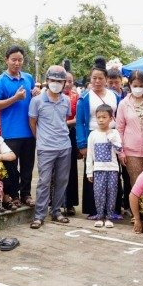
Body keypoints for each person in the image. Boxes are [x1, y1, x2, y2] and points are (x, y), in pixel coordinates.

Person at [0, 45, 39, 207]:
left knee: (28, 166)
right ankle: (14, 195)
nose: (17, 63)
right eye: (13, 60)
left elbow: (34, 98)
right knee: (11, 167)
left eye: (20, 60)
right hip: (11, 132)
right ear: (6, 60)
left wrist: (36, 94)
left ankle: (26, 194)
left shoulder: (28, 78)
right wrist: (15, 98)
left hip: (29, 130)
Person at [28, 65, 72, 229]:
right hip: (45, 147)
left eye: (59, 81)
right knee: (44, 181)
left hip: (64, 146)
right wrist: (39, 138)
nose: (56, 83)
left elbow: (64, 120)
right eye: (53, 80)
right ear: (47, 81)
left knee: (61, 181)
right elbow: (33, 122)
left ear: (64, 83)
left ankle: (57, 211)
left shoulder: (66, 100)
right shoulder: (37, 100)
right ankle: (39, 215)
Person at [76, 65, 121, 216]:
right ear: (90, 79)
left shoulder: (115, 96)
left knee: (113, 171)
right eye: (94, 78)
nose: (97, 81)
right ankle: (93, 209)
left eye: (100, 78)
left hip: (112, 136)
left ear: (106, 79)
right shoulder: (84, 97)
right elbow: (80, 122)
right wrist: (82, 144)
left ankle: (113, 209)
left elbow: (120, 118)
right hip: (93, 136)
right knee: (93, 172)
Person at [86, 103, 123, 228]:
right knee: (99, 193)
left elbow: (119, 150)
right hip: (98, 169)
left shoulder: (115, 133)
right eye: (99, 117)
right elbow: (90, 154)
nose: (101, 120)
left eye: (104, 117)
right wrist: (89, 172)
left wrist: (112, 139)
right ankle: (100, 215)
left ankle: (109, 217)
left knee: (112, 193)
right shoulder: (93, 135)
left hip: (112, 169)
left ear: (111, 118)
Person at [64, 70, 80, 215]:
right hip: (54, 135)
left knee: (71, 169)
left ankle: (69, 203)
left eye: (70, 81)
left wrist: (65, 123)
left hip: (71, 133)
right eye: (65, 80)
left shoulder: (76, 97)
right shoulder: (50, 96)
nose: (68, 84)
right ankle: (54, 202)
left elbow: (79, 118)